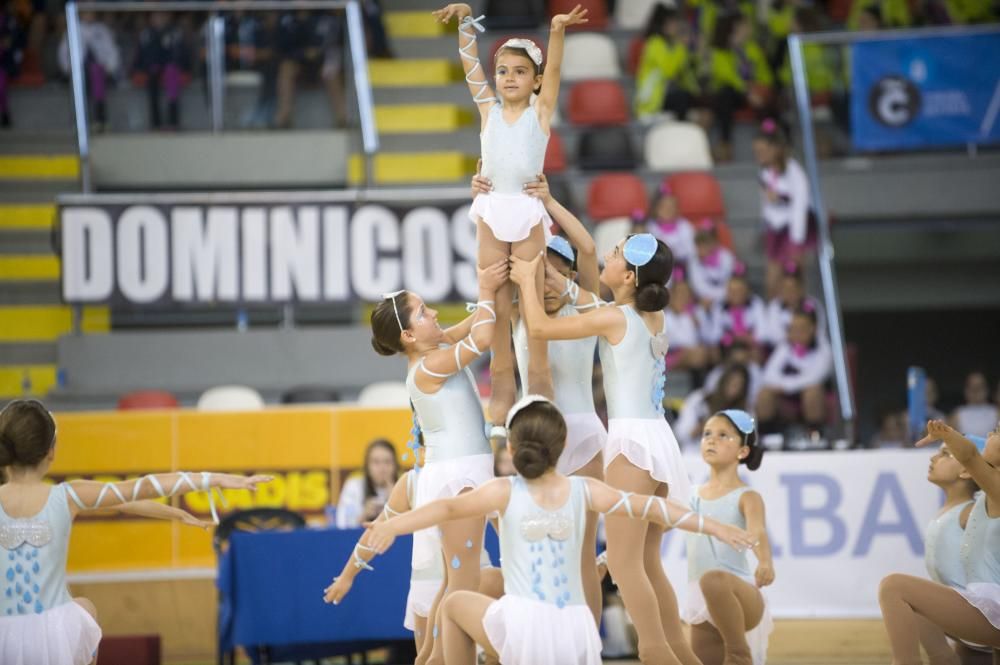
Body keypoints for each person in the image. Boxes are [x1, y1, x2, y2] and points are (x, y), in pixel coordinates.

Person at [363, 395, 757, 665]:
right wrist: (717, 528)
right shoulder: (586, 490)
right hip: (577, 630)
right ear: (562, 444)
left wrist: (390, 525)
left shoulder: (502, 491)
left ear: (512, 450)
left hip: (522, 627)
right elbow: (654, 507)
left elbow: (446, 505)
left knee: (452, 605)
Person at [511, 235, 698, 664]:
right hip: (659, 441)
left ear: (628, 276)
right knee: (649, 564)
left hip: (631, 447)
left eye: (615, 255)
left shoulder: (615, 318)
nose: (607, 257)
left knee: (627, 564)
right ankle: (685, 658)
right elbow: (593, 300)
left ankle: (656, 655)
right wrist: (563, 281)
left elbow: (539, 328)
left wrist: (526, 280)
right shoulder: (651, 314)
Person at [0, 399, 269, 664]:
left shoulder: (63, 496)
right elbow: (144, 487)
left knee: (81, 610)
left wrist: (173, 512)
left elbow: (129, 498)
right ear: (51, 451)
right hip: (55, 633)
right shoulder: (67, 495)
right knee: (84, 610)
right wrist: (216, 479)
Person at [433, 2, 588, 427]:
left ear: (535, 81)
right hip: (490, 208)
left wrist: (557, 31)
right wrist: (466, 20)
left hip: (526, 210)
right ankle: (501, 392)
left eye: (520, 72)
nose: (509, 79)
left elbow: (555, 73)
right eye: (503, 71)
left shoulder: (541, 111)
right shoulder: (487, 110)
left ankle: (538, 386)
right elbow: (469, 69)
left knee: (532, 305)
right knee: (498, 308)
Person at [368, 259, 505, 665]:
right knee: (461, 592)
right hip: (457, 477)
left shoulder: (437, 346)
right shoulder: (428, 365)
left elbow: (477, 323)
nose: (433, 315)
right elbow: (482, 338)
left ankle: (427, 658)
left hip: (465, 472)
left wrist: (497, 290)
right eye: (424, 313)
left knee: (455, 588)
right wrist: (484, 287)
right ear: (409, 335)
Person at [324, 459, 503, 654]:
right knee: (430, 658)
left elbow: (506, 535)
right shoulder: (413, 481)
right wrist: (347, 575)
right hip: (427, 587)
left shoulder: (478, 473)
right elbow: (377, 529)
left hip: (473, 580)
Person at [879, 421, 1000, 663]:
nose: (989, 433)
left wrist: (949, 436)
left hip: (992, 608)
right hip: (984, 604)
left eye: (997, 432)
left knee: (894, 587)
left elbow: (968, 454)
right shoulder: (984, 496)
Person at [686, 410, 774, 665]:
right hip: (699, 599)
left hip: (741, 594)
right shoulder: (690, 494)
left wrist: (765, 561)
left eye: (723, 435)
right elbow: (661, 525)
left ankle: (739, 655)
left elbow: (757, 531)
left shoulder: (747, 496)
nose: (711, 440)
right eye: (707, 434)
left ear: (743, 451)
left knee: (713, 580)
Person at [753, 119, 814, 298]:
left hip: (793, 233)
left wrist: (797, 241)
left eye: (762, 151)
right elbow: (767, 206)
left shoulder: (795, 172)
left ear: (776, 149)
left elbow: (800, 207)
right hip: (775, 230)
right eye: (756, 152)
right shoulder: (764, 172)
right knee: (772, 283)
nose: (759, 156)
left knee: (793, 281)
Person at [755, 304, 831, 438]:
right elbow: (769, 374)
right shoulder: (784, 347)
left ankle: (815, 436)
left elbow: (814, 378)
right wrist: (784, 387)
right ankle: (768, 437)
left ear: (813, 329)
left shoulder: (823, 349)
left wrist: (785, 386)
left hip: (810, 396)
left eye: (801, 328)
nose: (796, 332)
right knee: (765, 394)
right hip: (786, 398)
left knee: (812, 392)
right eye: (793, 328)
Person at [634, 3, 700, 122]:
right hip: (652, 101)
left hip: (666, 96)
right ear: (663, 25)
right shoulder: (655, 44)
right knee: (682, 97)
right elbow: (668, 71)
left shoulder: (673, 46)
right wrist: (681, 46)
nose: (676, 27)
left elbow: (687, 73)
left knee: (696, 100)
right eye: (673, 23)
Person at [675, 365, 752, 450]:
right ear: (723, 381)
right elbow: (680, 433)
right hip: (695, 454)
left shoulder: (746, 411)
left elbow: (750, 441)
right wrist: (699, 429)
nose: (735, 387)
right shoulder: (699, 400)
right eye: (732, 381)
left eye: (740, 384)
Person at [335, 438, 400, 528]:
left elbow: (413, 526)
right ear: (367, 466)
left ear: (395, 465)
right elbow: (343, 525)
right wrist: (364, 515)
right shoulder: (354, 486)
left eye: (387, 462)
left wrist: (395, 502)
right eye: (376, 462)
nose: (382, 468)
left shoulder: (404, 487)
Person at [950, 372, 999, 438]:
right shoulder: (957, 414)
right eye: (972, 387)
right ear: (966, 390)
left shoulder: (996, 412)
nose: (976, 390)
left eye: (979, 386)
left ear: (987, 389)